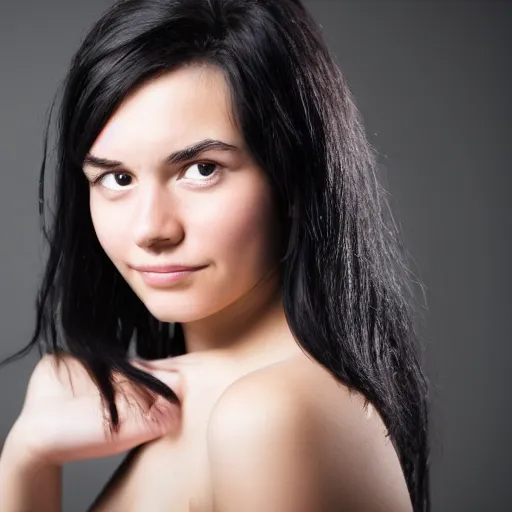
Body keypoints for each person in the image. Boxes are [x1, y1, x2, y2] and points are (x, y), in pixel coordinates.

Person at [0, 0, 431, 510]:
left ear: (291, 178)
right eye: (117, 179)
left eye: (202, 169)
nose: (151, 229)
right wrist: (27, 460)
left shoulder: (270, 415)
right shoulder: (203, 393)